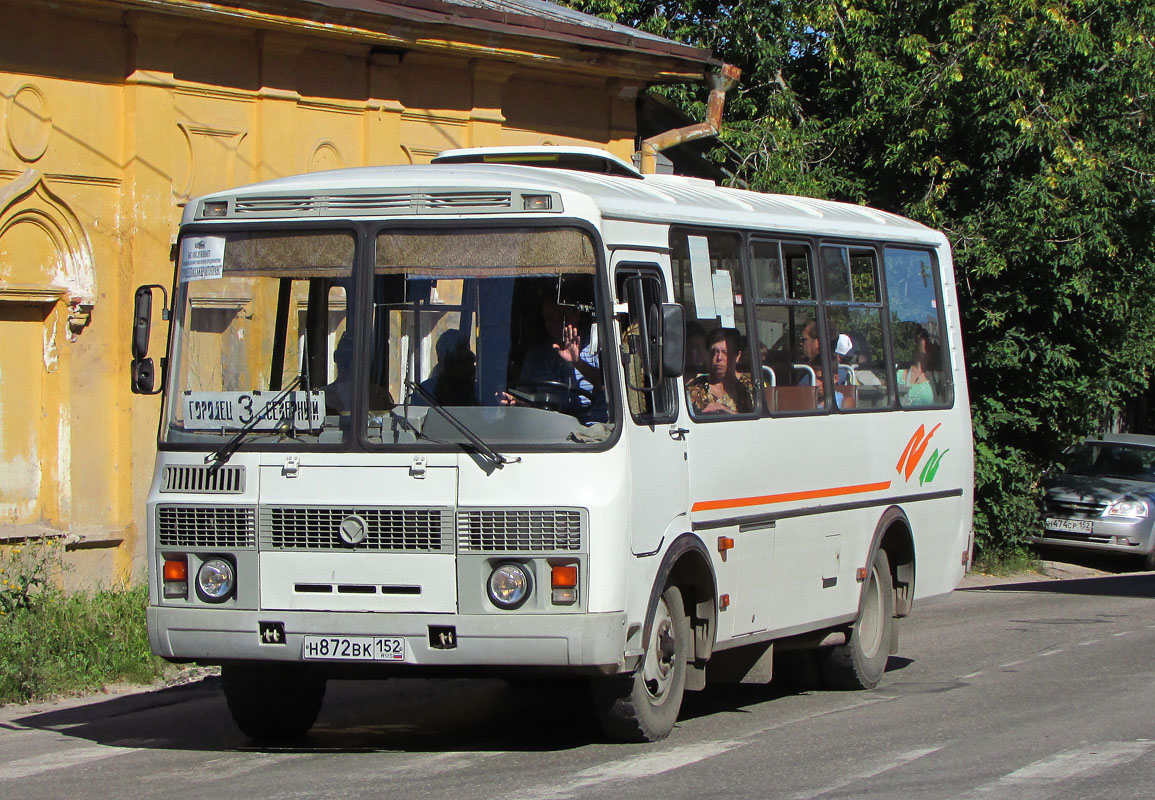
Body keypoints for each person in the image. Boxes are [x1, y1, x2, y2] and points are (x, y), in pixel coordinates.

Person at [499, 298, 606, 422]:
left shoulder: (596, 348)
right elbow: (526, 400)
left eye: (562, 317)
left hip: (594, 433)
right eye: (549, 318)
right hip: (548, 429)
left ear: (576, 315)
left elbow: (608, 388)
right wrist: (514, 401)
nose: (555, 324)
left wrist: (577, 363)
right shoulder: (535, 357)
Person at [687, 327, 754, 414]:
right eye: (714, 352)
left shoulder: (750, 387)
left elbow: (759, 421)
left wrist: (727, 411)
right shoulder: (695, 389)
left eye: (725, 352)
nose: (719, 358)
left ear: (737, 356)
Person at [897, 326, 939, 406]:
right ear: (915, 341)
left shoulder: (939, 375)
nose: (928, 341)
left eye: (930, 339)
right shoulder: (899, 373)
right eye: (924, 337)